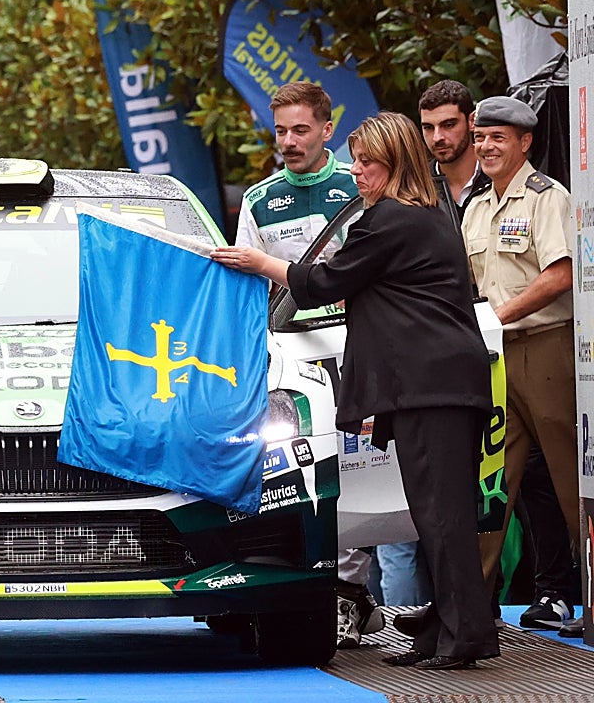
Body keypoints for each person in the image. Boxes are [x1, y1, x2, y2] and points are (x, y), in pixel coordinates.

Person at [213, 111, 500, 670]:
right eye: (359, 161)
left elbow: (322, 282)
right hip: (439, 381)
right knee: (437, 512)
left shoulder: (388, 220)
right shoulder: (426, 215)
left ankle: (465, 636)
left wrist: (259, 261)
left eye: (368, 163)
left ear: (395, 166)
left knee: (442, 515)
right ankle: (444, 625)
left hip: (430, 384)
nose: (358, 173)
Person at [234, 81, 380, 649]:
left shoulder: (358, 185)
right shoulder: (259, 199)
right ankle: (329, 593)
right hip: (296, 352)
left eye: (301, 130)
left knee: (368, 467)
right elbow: (248, 283)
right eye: (281, 132)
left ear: (327, 130)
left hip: (359, 341)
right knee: (309, 463)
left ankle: (357, 592)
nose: (289, 142)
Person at [462, 96, 581, 632]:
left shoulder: (547, 198)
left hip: (547, 347)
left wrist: (496, 317)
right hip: (494, 357)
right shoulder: (477, 205)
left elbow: (561, 274)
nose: (486, 146)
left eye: (499, 138)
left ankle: (593, 600)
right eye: (481, 136)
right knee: (489, 485)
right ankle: (468, 609)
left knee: (572, 481)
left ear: (525, 142)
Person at [418, 80, 490, 211]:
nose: (437, 137)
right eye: (428, 127)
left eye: (449, 125)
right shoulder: (417, 189)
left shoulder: (499, 175)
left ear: (472, 121)